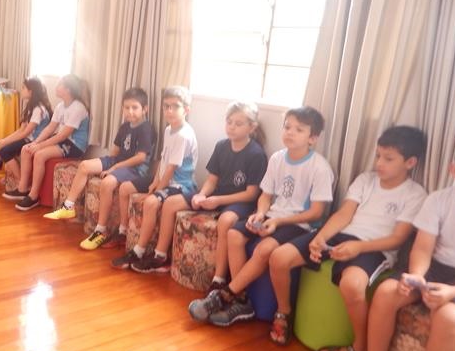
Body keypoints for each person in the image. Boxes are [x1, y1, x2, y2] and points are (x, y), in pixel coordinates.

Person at [267, 126, 427, 349]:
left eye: (388, 159)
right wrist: (321, 237)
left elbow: (398, 238)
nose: (380, 163)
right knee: (279, 257)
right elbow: (344, 215)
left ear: (410, 162)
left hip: (375, 248)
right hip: (343, 236)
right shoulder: (365, 180)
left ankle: (359, 346)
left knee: (352, 285)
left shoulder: (415, 194)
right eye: (378, 156)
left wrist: (359, 247)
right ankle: (284, 312)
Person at [352, 138, 455, 351]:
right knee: (387, 292)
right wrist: (416, 277)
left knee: (450, 318)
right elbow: (423, 247)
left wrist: (450, 294)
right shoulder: (439, 201)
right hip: (434, 266)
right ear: (454, 169)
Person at [190, 106, 334, 326]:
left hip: (299, 224)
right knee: (234, 235)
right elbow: (265, 196)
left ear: (312, 138)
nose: (290, 132)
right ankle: (242, 301)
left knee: (264, 249)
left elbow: (316, 212)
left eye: (299, 129)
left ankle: (226, 294)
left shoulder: (320, 167)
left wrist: (278, 221)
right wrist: (260, 214)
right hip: (273, 216)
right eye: (287, 127)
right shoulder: (277, 158)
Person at [43, 87, 154, 251]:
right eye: (126, 107)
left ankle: (100, 230)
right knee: (85, 166)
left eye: (134, 107)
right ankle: (68, 206)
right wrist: (106, 163)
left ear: (145, 109)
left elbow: (141, 157)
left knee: (107, 182)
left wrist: (114, 168)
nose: (130, 111)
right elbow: (115, 151)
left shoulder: (146, 128)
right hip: (118, 161)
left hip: (135, 169)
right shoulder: (125, 126)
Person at [184, 101, 267, 296]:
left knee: (226, 220)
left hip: (241, 202)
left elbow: (251, 194)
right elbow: (212, 180)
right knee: (172, 203)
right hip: (218, 194)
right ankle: (159, 256)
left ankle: (219, 278)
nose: (232, 127)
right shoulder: (221, 146)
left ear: (252, 127)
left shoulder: (256, 154)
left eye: (238, 123)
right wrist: (202, 194)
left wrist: (219, 201)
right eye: (229, 122)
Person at [111, 86, 198, 272]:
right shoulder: (169, 130)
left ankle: (150, 253)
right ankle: (123, 233)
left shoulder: (183, 135)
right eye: (166, 106)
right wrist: (154, 183)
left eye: (175, 106)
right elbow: (163, 162)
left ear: (186, 110)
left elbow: (171, 170)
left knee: (151, 202)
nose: (169, 111)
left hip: (181, 185)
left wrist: (157, 191)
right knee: (126, 188)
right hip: (167, 180)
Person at [8, 74, 91, 211]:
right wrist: (35, 142)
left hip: (75, 145)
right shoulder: (60, 106)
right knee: (26, 149)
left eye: (60, 85)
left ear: (68, 90)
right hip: (63, 140)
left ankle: (33, 196)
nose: (56, 87)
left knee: (39, 155)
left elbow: (63, 135)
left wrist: (40, 146)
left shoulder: (78, 108)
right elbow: (50, 128)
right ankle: (22, 189)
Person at [0, 77, 52, 191]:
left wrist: (4, 143)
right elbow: (21, 130)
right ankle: (14, 178)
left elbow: (25, 133)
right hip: (27, 138)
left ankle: (20, 181)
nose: (21, 90)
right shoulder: (30, 107)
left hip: (34, 141)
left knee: (4, 151)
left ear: (31, 91)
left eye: (23, 88)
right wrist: (3, 141)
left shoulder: (39, 109)